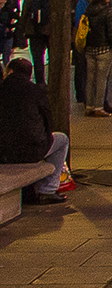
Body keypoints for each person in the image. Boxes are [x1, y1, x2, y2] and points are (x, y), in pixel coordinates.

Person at [0, 57, 69, 206]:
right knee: (62, 139)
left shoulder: (2, 88)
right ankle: (48, 190)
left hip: (4, 151)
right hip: (33, 149)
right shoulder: (36, 90)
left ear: (10, 71)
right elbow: (47, 120)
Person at [81, 0, 112, 117]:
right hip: (104, 48)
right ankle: (98, 106)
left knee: (90, 78)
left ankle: (89, 106)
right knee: (101, 79)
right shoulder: (108, 11)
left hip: (90, 48)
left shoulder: (89, 9)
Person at [18, 0, 50, 86]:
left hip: (34, 31)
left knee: (37, 59)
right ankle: (52, 81)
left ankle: (40, 82)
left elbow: (25, 13)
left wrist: (21, 29)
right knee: (52, 57)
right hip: (49, 31)